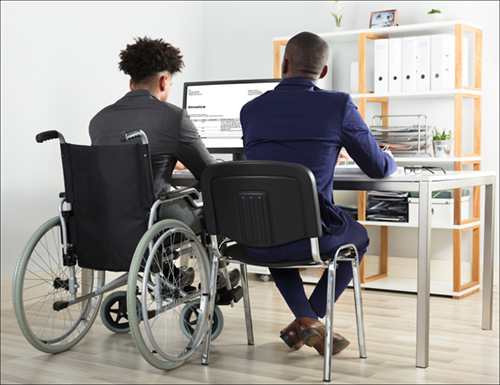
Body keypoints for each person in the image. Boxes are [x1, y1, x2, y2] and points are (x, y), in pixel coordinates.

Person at [240, 31, 397, 356]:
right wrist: (389, 156)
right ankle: (309, 320)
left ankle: (305, 321)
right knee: (359, 237)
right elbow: (377, 168)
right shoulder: (337, 104)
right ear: (323, 72)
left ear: (284, 64)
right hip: (309, 234)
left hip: (255, 237)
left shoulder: (250, 109)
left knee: (275, 230)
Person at [89, 36, 239, 289]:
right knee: (209, 204)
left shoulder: (99, 120)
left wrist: (170, 161)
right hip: (151, 222)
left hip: (103, 222)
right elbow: (209, 173)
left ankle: (170, 276)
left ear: (131, 82)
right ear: (164, 81)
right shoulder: (173, 117)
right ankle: (220, 284)